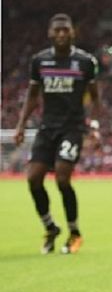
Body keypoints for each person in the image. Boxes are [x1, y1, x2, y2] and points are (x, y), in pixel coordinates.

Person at [14, 13, 101, 255]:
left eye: (66, 30)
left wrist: (94, 126)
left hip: (72, 128)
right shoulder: (39, 61)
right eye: (57, 30)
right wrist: (21, 125)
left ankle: (74, 232)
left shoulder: (85, 62)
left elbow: (95, 97)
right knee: (33, 179)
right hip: (47, 127)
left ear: (73, 32)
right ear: (50, 33)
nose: (61, 34)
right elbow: (32, 96)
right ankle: (50, 227)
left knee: (62, 178)